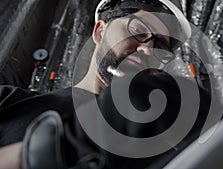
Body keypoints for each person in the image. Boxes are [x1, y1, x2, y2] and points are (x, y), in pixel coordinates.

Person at [0, 0, 210, 168]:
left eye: (160, 46)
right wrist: (57, 149)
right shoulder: (9, 101)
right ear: (100, 31)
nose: (148, 49)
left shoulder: (156, 143)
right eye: (138, 30)